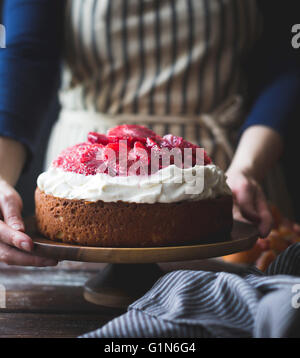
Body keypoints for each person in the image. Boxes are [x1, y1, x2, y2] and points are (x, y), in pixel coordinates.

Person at [0, 0, 299, 267]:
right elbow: (27, 52)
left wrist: (247, 168)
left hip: (229, 174)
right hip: (87, 175)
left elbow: (288, 55)